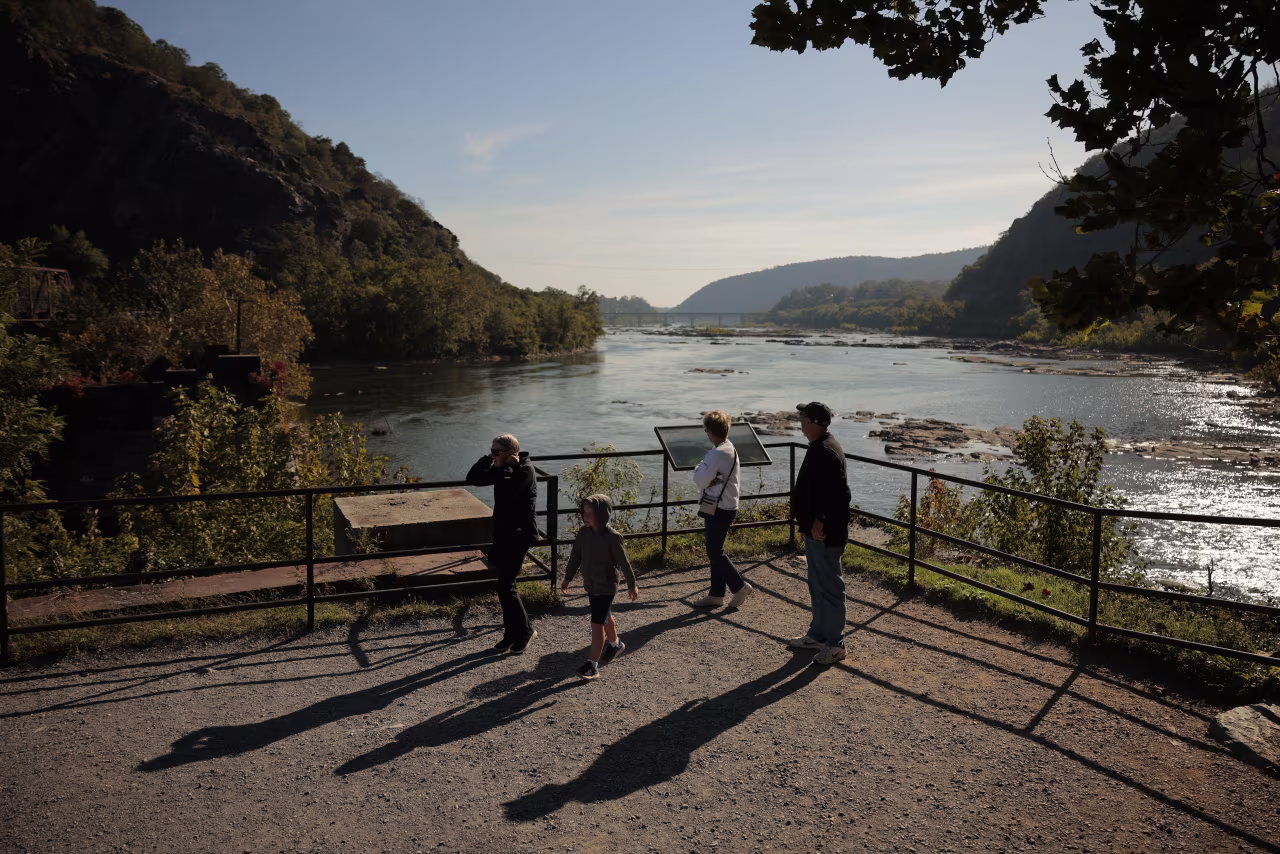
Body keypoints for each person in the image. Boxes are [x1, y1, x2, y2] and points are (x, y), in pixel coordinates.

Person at [788, 401, 852, 665]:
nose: (800, 421)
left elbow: (840, 496)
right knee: (817, 583)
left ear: (813, 423)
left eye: (803, 417)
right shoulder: (819, 447)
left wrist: (820, 521)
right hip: (815, 532)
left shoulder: (826, 451)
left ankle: (836, 644)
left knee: (830, 587)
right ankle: (818, 635)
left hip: (825, 534)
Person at [467, 433, 539, 654]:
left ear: (510, 453)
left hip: (519, 535)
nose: (493, 454)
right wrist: (488, 459)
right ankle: (511, 634)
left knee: (507, 585)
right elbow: (474, 478)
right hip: (503, 535)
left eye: (496, 451)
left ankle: (526, 631)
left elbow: (511, 494)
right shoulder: (501, 468)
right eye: (492, 450)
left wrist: (507, 469)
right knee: (503, 586)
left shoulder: (526, 471)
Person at [560, 494, 639, 680]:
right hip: (591, 584)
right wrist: (567, 578)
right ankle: (615, 644)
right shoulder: (583, 533)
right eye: (584, 512)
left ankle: (592, 665)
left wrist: (632, 585)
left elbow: (625, 564)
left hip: (606, 586)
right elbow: (575, 557)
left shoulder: (613, 538)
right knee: (605, 615)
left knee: (597, 624)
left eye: (591, 513)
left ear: (602, 514)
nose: (586, 516)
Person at [690, 409, 754, 609]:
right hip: (727, 505)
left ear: (710, 432)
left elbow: (699, 479)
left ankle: (740, 586)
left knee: (714, 551)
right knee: (714, 550)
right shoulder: (729, 448)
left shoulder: (716, 453)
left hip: (719, 507)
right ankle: (716, 594)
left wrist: (700, 470)